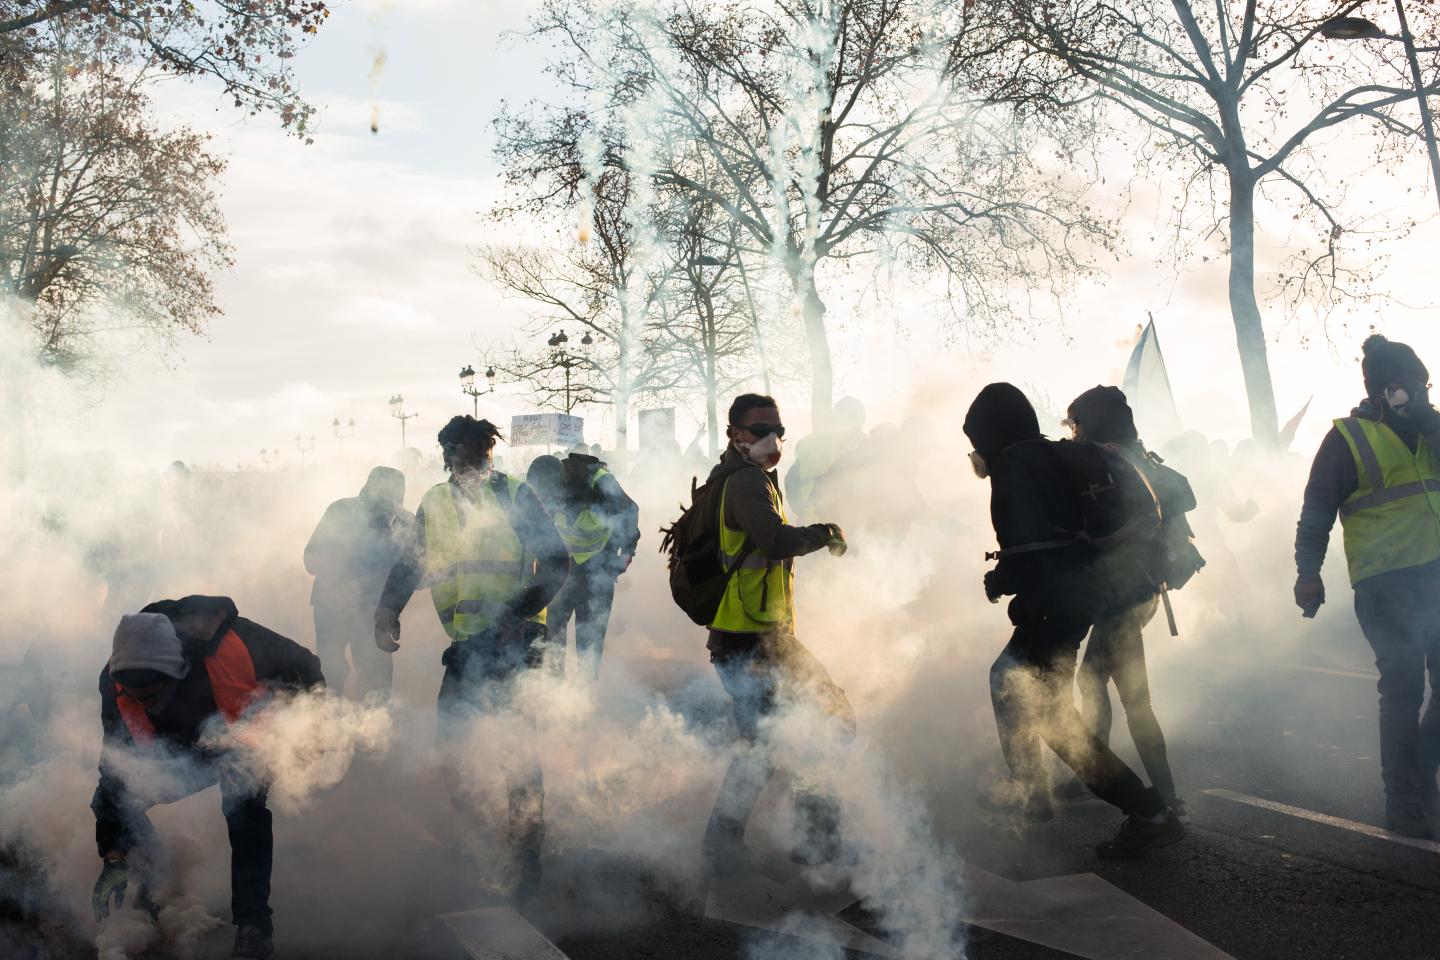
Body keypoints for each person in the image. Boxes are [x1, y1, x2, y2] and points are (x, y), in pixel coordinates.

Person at [965, 382, 1184, 858]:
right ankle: (1033, 793)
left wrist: (1004, 582)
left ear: (990, 434)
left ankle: (1147, 813)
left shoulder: (1015, 465)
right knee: (1019, 688)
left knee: (1046, 712)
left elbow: (1033, 550)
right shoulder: (1049, 455)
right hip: (1077, 600)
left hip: (1056, 605)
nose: (976, 454)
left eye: (976, 442)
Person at [374, 416, 569, 894]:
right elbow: (412, 561)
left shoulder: (514, 495)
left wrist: (519, 616)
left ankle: (525, 850)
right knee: (453, 745)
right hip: (465, 643)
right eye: (455, 452)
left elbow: (558, 561)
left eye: (473, 450)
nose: (463, 460)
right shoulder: (435, 501)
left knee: (517, 747)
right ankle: (479, 835)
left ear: (488, 450)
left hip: (517, 640)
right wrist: (387, 608)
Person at [91, 597, 325, 960]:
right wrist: (114, 855)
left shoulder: (235, 642)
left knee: (244, 811)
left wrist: (307, 726)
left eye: (151, 693)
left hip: (243, 736)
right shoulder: (116, 682)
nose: (145, 703)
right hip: (180, 750)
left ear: (176, 670)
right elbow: (114, 770)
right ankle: (156, 886)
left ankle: (254, 928)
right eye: (135, 697)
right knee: (117, 799)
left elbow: (306, 667)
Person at [701, 394, 854, 875]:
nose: (772, 437)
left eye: (777, 428)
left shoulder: (746, 477)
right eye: (760, 428)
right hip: (750, 639)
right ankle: (814, 840)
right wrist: (825, 532)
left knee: (775, 737)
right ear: (735, 434)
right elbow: (774, 541)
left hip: (759, 635)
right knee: (818, 723)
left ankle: (736, 839)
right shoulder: (746, 482)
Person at [1294, 334, 1440, 838]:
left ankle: (1419, 778)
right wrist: (1307, 572)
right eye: (1413, 389)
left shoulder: (1431, 430)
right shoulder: (1347, 439)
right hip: (1385, 586)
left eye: (1425, 388)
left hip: (1436, 578)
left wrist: (1431, 425)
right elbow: (1316, 512)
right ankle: (1404, 801)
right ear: (1387, 391)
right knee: (1402, 691)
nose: (1422, 396)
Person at [1052, 386, 1184, 818]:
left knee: (1128, 695)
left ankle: (1163, 797)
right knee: (1097, 681)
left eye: (1078, 423)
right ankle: (1096, 770)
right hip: (1138, 591)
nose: (1075, 432)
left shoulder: (1109, 458)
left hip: (1128, 593)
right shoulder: (1137, 454)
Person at [525, 453, 640, 680]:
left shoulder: (600, 480)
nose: (547, 498)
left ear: (561, 480)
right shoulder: (543, 488)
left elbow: (630, 512)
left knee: (590, 638)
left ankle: (585, 693)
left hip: (597, 572)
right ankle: (554, 692)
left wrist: (620, 560)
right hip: (561, 570)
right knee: (552, 634)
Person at [303, 467, 413, 700]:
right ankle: (327, 726)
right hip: (336, 606)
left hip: (377, 611)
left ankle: (369, 731)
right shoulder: (341, 510)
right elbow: (312, 560)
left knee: (374, 678)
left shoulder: (404, 523)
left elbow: (415, 572)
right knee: (331, 673)